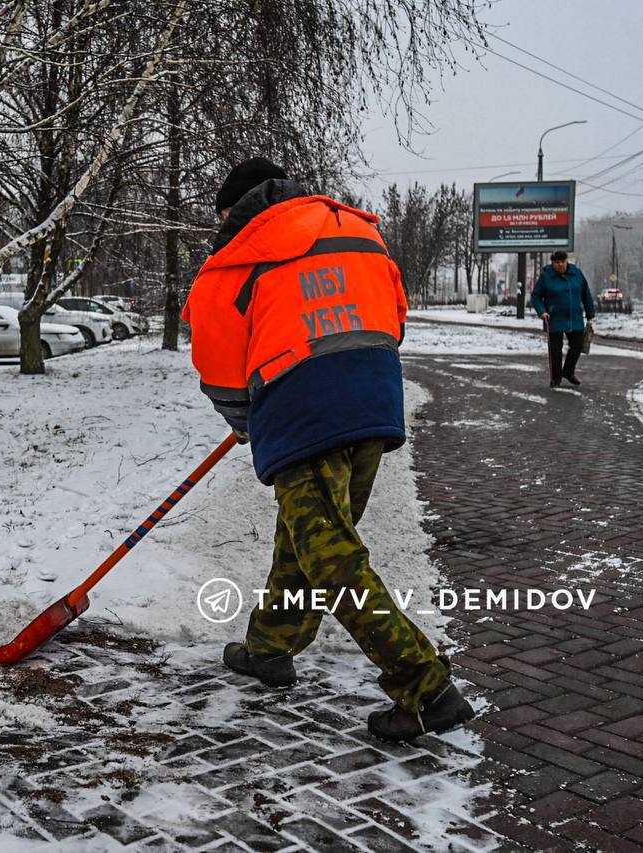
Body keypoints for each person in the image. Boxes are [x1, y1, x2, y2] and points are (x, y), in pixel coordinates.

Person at [181, 157, 475, 743]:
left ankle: (425, 687)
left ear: (231, 210)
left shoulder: (237, 256)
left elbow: (217, 366)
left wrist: (247, 421)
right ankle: (270, 647)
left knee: (331, 555)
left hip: (303, 407)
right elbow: (393, 316)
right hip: (373, 397)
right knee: (310, 536)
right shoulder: (356, 230)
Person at [532, 251, 595, 387]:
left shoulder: (577, 274)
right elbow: (536, 296)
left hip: (575, 317)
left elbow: (585, 293)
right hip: (554, 318)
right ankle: (556, 378)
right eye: (556, 262)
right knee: (555, 349)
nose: (560, 264)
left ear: (567, 261)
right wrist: (542, 311)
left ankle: (568, 371)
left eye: (562, 261)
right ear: (552, 263)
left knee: (577, 345)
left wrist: (590, 311)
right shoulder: (546, 276)